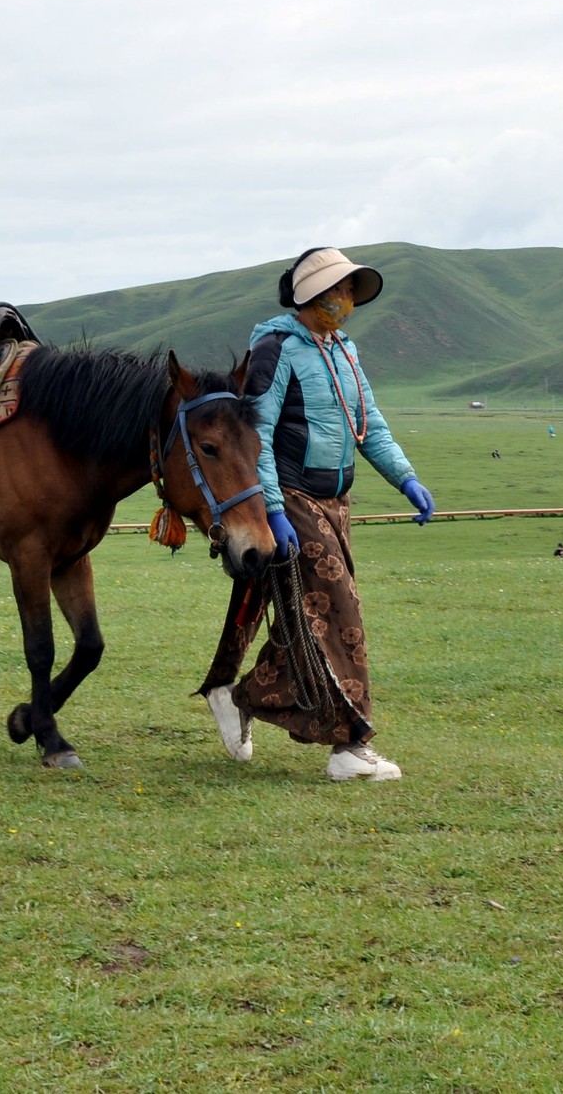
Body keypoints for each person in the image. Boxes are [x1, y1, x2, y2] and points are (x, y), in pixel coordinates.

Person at [200, 247, 435, 782]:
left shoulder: (344, 351)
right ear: (307, 296)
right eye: (336, 291)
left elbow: (368, 423)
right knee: (339, 616)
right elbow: (251, 436)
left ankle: (243, 695)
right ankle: (350, 748)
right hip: (293, 497)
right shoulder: (275, 350)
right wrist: (275, 511)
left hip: (337, 500)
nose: (345, 302)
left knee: (308, 617)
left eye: (350, 292)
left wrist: (405, 477)